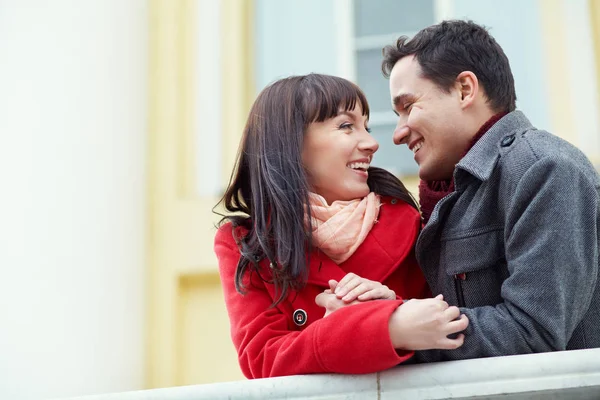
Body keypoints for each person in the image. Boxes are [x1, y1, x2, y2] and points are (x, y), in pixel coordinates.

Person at [213, 73, 469, 378]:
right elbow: (262, 361)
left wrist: (390, 309)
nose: (372, 143)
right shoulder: (245, 243)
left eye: (367, 127)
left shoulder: (411, 225)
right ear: (292, 144)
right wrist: (379, 326)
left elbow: (444, 324)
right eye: (347, 126)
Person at [377, 20, 600, 361]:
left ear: (465, 89)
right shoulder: (446, 196)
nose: (398, 133)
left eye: (408, 107)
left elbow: (533, 333)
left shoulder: (543, 170)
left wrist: (399, 327)